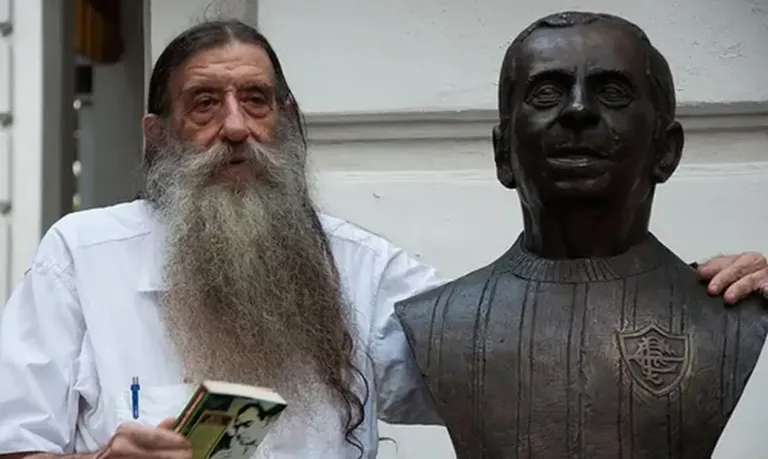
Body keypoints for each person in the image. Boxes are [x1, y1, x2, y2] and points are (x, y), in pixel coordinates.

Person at [0, 19, 765, 459]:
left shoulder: (364, 269)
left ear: (287, 122)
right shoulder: (81, 256)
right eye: (205, 104)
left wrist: (698, 292)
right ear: (157, 134)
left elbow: (529, 366)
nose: (235, 127)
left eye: (256, 101)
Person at [394, 11, 768, 458]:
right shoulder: (438, 320)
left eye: (612, 93)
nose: (577, 110)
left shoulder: (734, 313)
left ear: (666, 150)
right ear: (502, 153)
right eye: (547, 93)